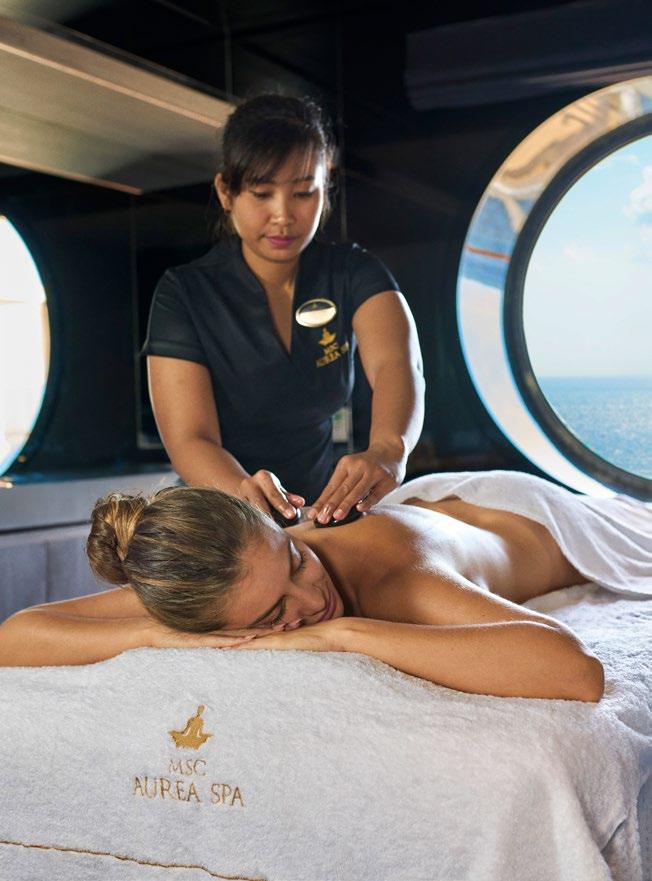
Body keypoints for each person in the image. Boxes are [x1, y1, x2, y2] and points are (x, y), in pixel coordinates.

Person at [8, 467, 652, 703]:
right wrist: (162, 634)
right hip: (434, 508)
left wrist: (343, 635)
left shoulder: (405, 583)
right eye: (272, 613)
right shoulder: (214, 577)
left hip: (539, 519)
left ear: (274, 528)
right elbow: (17, 634)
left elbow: (575, 672)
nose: (314, 600)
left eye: (296, 561)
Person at [142, 93, 425, 526]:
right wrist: (245, 495)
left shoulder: (353, 273)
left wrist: (388, 450)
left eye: (303, 193)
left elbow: (397, 366)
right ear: (225, 192)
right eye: (262, 193)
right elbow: (191, 438)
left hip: (321, 512)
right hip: (220, 519)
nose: (283, 215)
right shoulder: (184, 293)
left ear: (325, 187)